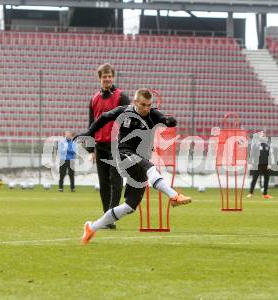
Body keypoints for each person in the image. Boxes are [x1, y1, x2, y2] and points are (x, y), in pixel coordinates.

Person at [75, 88, 192, 244]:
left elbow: (167, 120)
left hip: (140, 160)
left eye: (149, 105)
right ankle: (174, 196)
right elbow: (104, 117)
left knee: (129, 207)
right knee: (150, 168)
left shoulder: (153, 113)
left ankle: (92, 227)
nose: (146, 108)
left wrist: (170, 121)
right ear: (135, 102)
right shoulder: (124, 111)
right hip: (124, 154)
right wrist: (89, 133)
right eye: (143, 104)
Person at [89, 63, 130, 229]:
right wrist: (91, 149)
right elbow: (91, 124)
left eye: (109, 76)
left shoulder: (122, 96)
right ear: (100, 79)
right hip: (100, 145)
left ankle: (111, 216)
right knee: (103, 182)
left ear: (113, 77)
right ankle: (107, 217)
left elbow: (129, 121)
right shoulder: (94, 99)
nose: (107, 79)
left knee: (115, 179)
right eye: (104, 77)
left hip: (116, 145)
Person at [247, 130, 273, 199]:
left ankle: (265, 194)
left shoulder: (267, 145)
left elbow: (269, 155)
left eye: (264, 135)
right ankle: (250, 193)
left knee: (266, 179)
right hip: (257, 164)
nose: (263, 136)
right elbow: (251, 154)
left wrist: (269, 164)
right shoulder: (256, 145)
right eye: (262, 135)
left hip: (266, 165)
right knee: (254, 179)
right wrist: (250, 163)